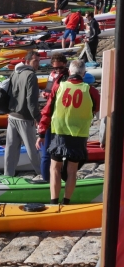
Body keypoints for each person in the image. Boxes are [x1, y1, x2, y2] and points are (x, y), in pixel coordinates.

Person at [35, 60, 100, 205]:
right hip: (79, 134)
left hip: (59, 132)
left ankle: (53, 202)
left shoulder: (59, 86)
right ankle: (66, 202)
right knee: (72, 170)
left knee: (55, 168)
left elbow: (47, 111)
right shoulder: (91, 91)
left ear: (69, 72)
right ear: (84, 74)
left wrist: (41, 133)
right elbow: (95, 110)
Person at [4, 50, 42, 177]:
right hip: (25, 118)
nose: (38, 64)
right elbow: (31, 100)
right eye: (35, 61)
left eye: (38, 61)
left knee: (10, 150)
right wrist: (37, 117)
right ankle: (44, 175)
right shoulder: (31, 75)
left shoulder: (14, 73)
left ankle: (8, 176)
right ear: (27, 61)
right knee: (33, 150)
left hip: (12, 116)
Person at [40, 53, 69, 182]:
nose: (57, 71)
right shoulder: (52, 75)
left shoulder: (69, 77)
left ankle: (64, 177)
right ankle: (47, 180)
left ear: (65, 65)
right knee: (46, 153)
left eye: (60, 68)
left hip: (63, 117)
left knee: (64, 151)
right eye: (55, 68)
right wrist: (46, 94)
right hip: (51, 116)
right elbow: (46, 92)